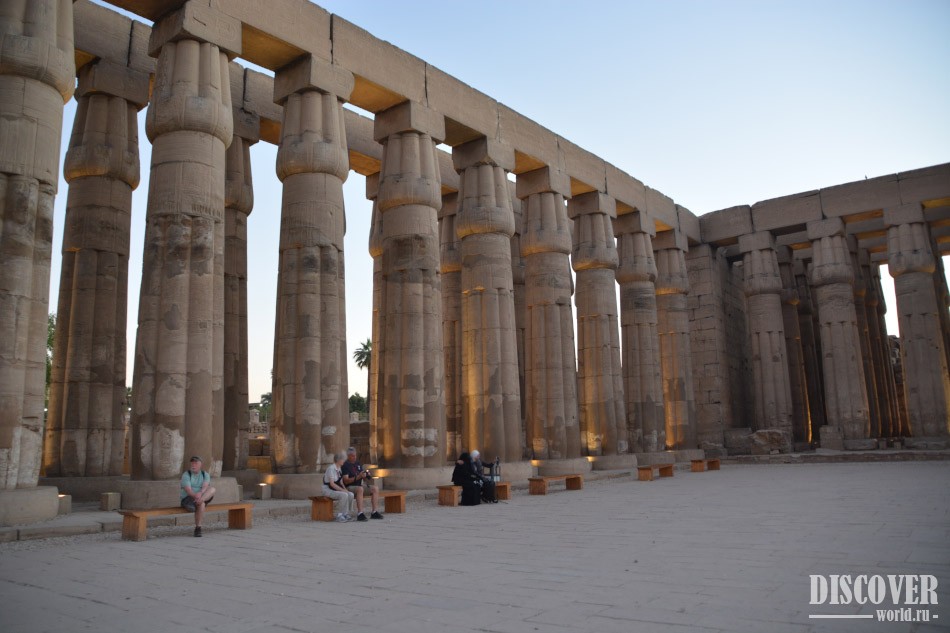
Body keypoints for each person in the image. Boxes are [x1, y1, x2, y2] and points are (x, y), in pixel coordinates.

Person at [341, 447, 383, 521]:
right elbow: (346, 481)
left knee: (375, 488)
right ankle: (360, 513)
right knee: (360, 489)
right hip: (349, 487)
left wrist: (366, 475)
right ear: (348, 456)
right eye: (352, 456)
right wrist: (359, 476)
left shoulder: (357, 463)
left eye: (355, 455)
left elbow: (362, 475)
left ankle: (374, 512)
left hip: (359, 485)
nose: (354, 457)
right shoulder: (345, 465)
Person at [180, 456, 216, 537]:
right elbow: (188, 491)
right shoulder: (186, 474)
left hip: (202, 496)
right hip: (188, 499)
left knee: (212, 489)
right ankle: (198, 528)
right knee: (201, 504)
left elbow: (205, 486)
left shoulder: (205, 474)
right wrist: (196, 496)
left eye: (196, 463)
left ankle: (201, 500)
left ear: (200, 465)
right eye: (192, 463)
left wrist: (200, 494)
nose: (193, 465)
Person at [323, 453, 355, 522]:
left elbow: (341, 482)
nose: (344, 461)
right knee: (344, 495)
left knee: (350, 494)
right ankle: (339, 515)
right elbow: (332, 484)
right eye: (343, 459)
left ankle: (345, 513)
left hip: (335, 489)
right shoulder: (331, 468)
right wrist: (343, 491)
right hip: (328, 490)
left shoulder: (339, 468)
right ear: (338, 460)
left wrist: (345, 490)